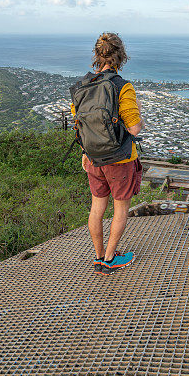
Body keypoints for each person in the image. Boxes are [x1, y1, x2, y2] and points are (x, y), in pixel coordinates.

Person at [70, 32, 143, 275]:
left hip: (92, 157)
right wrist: (138, 110)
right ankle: (109, 259)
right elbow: (134, 128)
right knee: (120, 210)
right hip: (120, 160)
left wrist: (85, 151)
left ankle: (98, 255)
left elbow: (79, 122)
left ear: (97, 55)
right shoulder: (122, 86)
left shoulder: (82, 86)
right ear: (121, 56)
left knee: (97, 208)